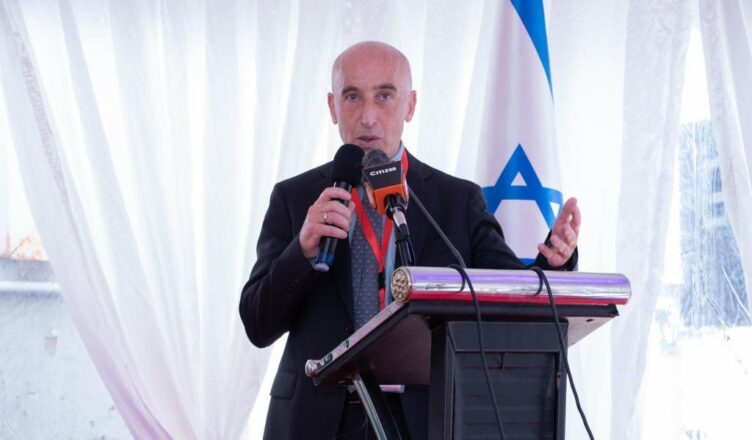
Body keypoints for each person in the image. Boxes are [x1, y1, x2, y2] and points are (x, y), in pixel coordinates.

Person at [239, 41, 581, 440]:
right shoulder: (295, 198)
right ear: (333, 107)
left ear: (411, 105)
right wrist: (301, 251)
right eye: (353, 97)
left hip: (424, 418)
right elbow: (257, 325)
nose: (368, 117)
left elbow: (507, 296)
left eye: (384, 96)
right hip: (316, 421)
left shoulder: (456, 200)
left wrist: (554, 264)